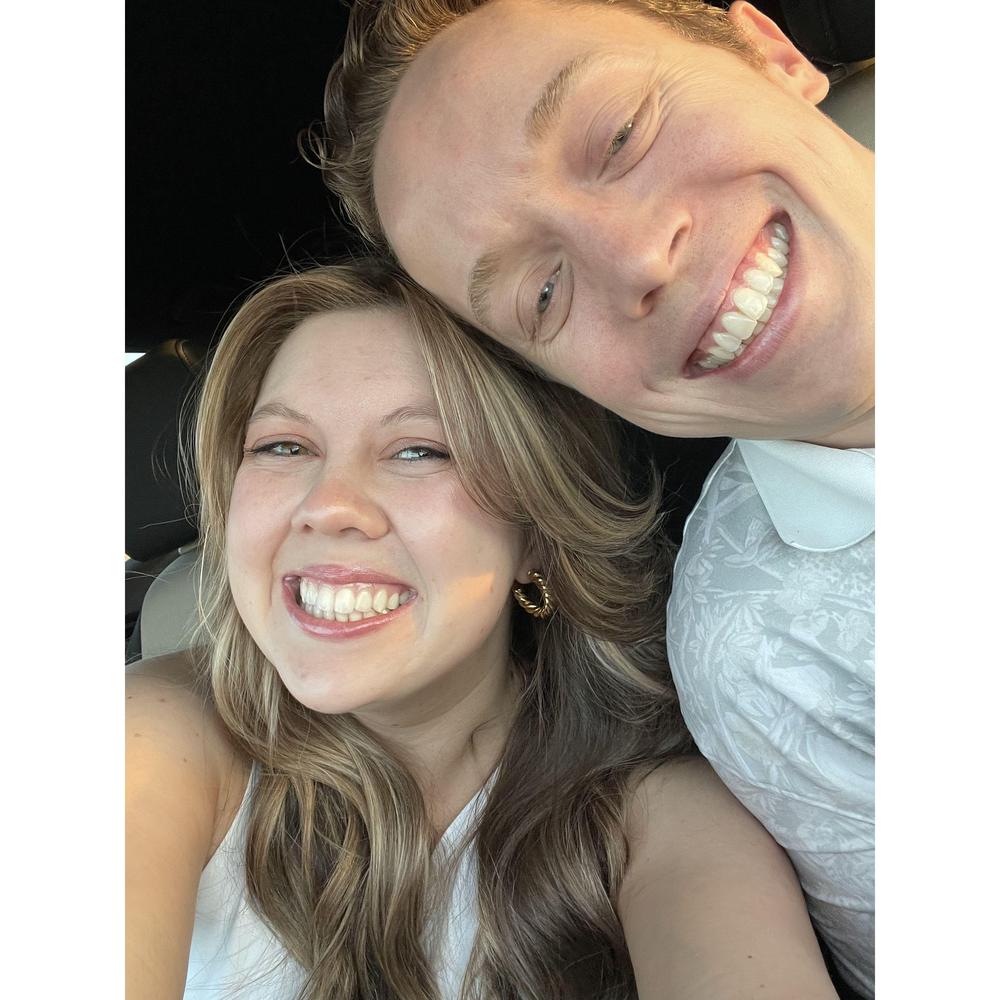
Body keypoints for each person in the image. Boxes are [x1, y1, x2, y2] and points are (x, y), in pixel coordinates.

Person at [311, 2, 875, 996]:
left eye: (620, 135)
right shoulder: (769, 660)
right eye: (541, 294)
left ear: (772, 52)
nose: (637, 258)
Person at [126, 261, 839, 1000]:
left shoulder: (657, 819)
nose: (326, 505)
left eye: (419, 450)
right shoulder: (159, 731)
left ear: (537, 534)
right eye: (283, 446)